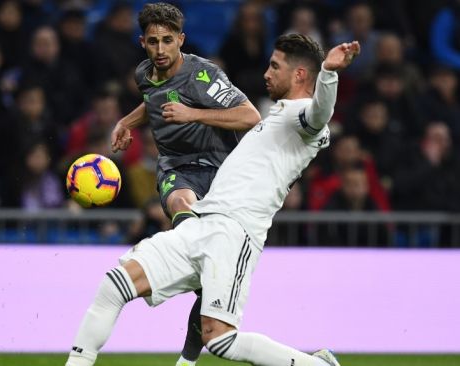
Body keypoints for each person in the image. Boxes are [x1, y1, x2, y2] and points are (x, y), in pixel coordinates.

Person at [66, 34, 360, 366]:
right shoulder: (279, 116)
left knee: (221, 340)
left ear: (300, 75)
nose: (266, 73)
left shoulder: (303, 119)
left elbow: (320, 113)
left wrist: (330, 73)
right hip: (202, 221)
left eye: (274, 66)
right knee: (114, 285)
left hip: (234, 235)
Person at [110, 4, 261, 364]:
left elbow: (251, 116)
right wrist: (126, 122)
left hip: (222, 177)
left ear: (181, 39)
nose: (160, 50)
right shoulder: (144, 74)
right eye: (152, 42)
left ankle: (187, 360)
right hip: (178, 168)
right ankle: (191, 260)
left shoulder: (203, 76)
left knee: (209, 290)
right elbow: (153, 102)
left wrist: (193, 112)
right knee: (181, 201)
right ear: (142, 43)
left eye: (167, 41)